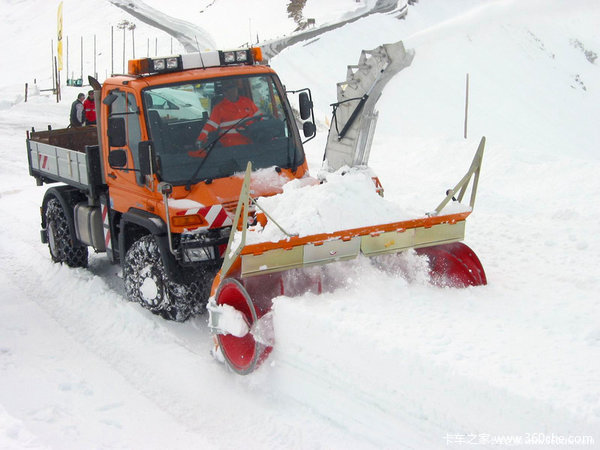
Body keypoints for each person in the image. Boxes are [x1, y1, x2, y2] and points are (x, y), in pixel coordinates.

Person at [189, 79, 260, 157]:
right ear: (224, 92)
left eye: (234, 88)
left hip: (253, 141)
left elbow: (260, 119)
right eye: (229, 89)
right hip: (232, 146)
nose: (232, 91)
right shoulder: (219, 108)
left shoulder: (247, 101)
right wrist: (201, 139)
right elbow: (210, 126)